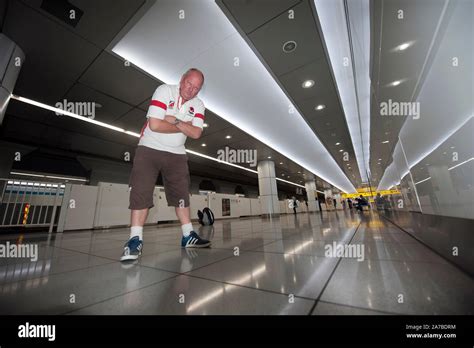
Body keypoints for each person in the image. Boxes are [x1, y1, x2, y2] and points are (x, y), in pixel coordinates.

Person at [121, 68, 210, 262]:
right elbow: (154, 125)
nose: (191, 90)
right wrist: (184, 126)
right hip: (149, 148)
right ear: (182, 79)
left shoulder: (199, 105)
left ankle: (188, 236)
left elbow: (196, 134)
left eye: (197, 88)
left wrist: (175, 120)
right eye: (189, 84)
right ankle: (135, 240)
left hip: (177, 154)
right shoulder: (164, 91)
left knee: (181, 195)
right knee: (141, 191)